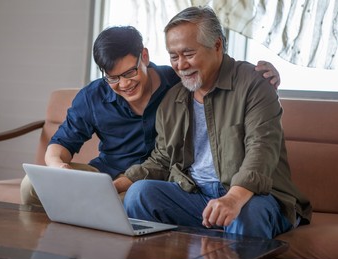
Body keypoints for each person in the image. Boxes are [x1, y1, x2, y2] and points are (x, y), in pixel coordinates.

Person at [21, 25, 282, 206]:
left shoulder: (177, 81)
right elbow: (59, 146)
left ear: (144, 56)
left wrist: (261, 75)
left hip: (157, 181)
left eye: (130, 73)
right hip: (106, 178)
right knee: (30, 186)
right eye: (112, 78)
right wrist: (59, 169)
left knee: (137, 198)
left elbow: (215, 68)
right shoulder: (93, 97)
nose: (124, 84)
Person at [117, 7, 312, 239]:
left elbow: (262, 149)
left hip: (255, 197)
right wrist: (116, 185)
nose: (180, 65)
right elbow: (162, 158)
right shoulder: (173, 100)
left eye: (188, 54)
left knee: (245, 213)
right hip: (195, 195)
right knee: (139, 193)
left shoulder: (254, 84)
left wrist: (233, 198)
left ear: (217, 45)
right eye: (173, 56)